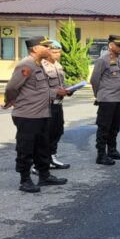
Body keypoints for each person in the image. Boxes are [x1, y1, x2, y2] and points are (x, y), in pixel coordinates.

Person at [2, 37, 66, 193]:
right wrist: (10, 100)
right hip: (28, 114)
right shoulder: (26, 65)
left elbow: (38, 90)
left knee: (42, 146)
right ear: (35, 49)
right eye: (46, 47)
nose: (49, 49)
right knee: (26, 148)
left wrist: (55, 92)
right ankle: (25, 180)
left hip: (42, 112)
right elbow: (12, 87)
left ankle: (44, 175)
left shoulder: (39, 65)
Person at [91, 35, 120, 166]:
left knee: (115, 126)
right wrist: (99, 95)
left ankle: (112, 150)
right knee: (104, 127)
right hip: (107, 99)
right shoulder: (102, 60)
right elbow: (94, 80)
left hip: (117, 99)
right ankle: (101, 155)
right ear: (111, 45)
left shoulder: (117, 59)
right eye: (119, 45)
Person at [42, 40, 74, 169]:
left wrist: (69, 89)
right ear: (47, 51)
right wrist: (57, 92)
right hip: (46, 105)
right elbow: (39, 89)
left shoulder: (58, 65)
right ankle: (39, 162)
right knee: (45, 134)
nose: (58, 54)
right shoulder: (41, 66)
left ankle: (51, 157)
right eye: (55, 52)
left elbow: (61, 84)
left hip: (58, 104)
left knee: (58, 131)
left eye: (59, 52)